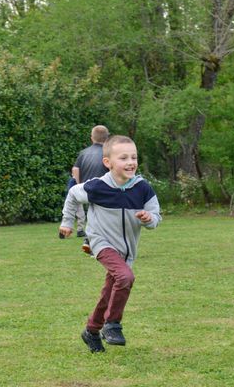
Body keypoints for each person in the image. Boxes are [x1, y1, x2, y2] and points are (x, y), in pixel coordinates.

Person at [60, 135, 161, 353]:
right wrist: (67, 222)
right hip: (101, 242)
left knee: (110, 291)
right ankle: (112, 324)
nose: (130, 162)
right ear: (108, 163)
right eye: (123, 157)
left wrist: (148, 218)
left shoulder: (143, 188)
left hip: (126, 251)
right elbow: (72, 194)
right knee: (125, 277)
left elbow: (155, 217)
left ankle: (91, 330)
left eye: (133, 157)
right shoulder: (98, 187)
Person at [72, 125, 109, 245]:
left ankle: (89, 240)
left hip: (87, 190)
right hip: (105, 189)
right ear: (107, 138)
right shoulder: (108, 153)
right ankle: (91, 242)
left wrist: (79, 187)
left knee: (94, 216)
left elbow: (75, 170)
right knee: (106, 218)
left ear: (92, 138)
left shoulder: (83, 153)